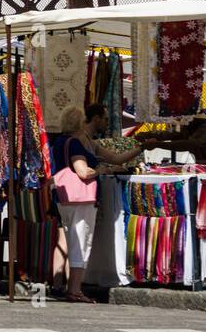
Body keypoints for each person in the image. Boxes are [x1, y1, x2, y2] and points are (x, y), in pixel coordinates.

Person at [52, 103, 141, 302]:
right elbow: (83, 171)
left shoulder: (59, 142)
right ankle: (75, 290)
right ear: (80, 122)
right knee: (80, 243)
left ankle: (68, 288)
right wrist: (100, 170)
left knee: (71, 240)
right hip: (80, 199)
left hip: (64, 198)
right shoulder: (75, 144)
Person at [139, 115, 206, 165]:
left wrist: (157, 144)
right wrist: (146, 134)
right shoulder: (193, 127)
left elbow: (188, 144)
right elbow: (173, 135)